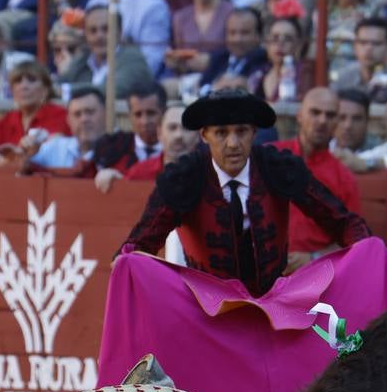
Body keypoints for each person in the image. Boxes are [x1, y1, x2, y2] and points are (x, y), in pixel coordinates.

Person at [120, 88, 371, 296]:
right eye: (221, 133)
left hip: (274, 306)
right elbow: (140, 247)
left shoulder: (279, 167)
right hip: (204, 311)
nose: (232, 144)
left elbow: (343, 223)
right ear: (204, 135)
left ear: (254, 133)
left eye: (241, 131)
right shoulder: (183, 177)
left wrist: (366, 248)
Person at [268, 87, 363, 268]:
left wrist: (314, 258)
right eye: (315, 112)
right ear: (300, 115)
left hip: (315, 276)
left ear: (337, 121)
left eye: (330, 115)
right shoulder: (268, 156)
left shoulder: (344, 177)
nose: (322, 121)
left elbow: (355, 242)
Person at [59, 4, 156, 101]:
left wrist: (64, 91)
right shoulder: (83, 59)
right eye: (93, 31)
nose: (99, 36)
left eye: (106, 29)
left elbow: (114, 90)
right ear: (86, 35)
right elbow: (61, 82)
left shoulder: (134, 59)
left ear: (120, 32)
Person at [99, 102, 200, 187]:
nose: (179, 135)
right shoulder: (139, 173)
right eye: (172, 128)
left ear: (198, 135)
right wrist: (111, 176)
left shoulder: (211, 175)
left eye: (186, 128)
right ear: (159, 133)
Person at [168, 0, 235, 81]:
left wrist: (212, 60)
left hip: (224, 76)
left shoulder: (231, 12)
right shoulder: (180, 18)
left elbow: (237, 51)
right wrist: (176, 61)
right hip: (189, 79)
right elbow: (181, 54)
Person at [13, 85, 108, 172]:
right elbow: (18, 167)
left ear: (106, 115)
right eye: (77, 114)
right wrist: (26, 153)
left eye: (90, 112)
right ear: (68, 121)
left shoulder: (120, 150)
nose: (84, 119)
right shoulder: (56, 147)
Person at [0, 59, 71, 146]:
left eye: (32, 80)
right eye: (18, 81)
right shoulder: (5, 122)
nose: (24, 86)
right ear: (12, 90)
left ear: (46, 89)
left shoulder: (63, 117)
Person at [91, 85, 166, 173]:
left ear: (164, 112)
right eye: (138, 114)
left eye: (151, 113)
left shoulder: (178, 149)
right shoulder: (112, 148)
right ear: (130, 116)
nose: (144, 121)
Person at [198, 7, 268, 92]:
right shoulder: (219, 58)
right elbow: (201, 87)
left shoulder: (264, 60)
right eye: (232, 32)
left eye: (244, 33)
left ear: (259, 36)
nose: (237, 39)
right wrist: (215, 88)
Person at [250, 15, 309, 103]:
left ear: (299, 45)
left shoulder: (304, 74)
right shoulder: (258, 72)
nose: (280, 43)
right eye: (275, 37)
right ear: (267, 43)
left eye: (288, 38)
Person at [334, 18, 387, 90]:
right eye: (363, 43)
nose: (369, 48)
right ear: (354, 45)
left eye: (376, 43)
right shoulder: (344, 77)